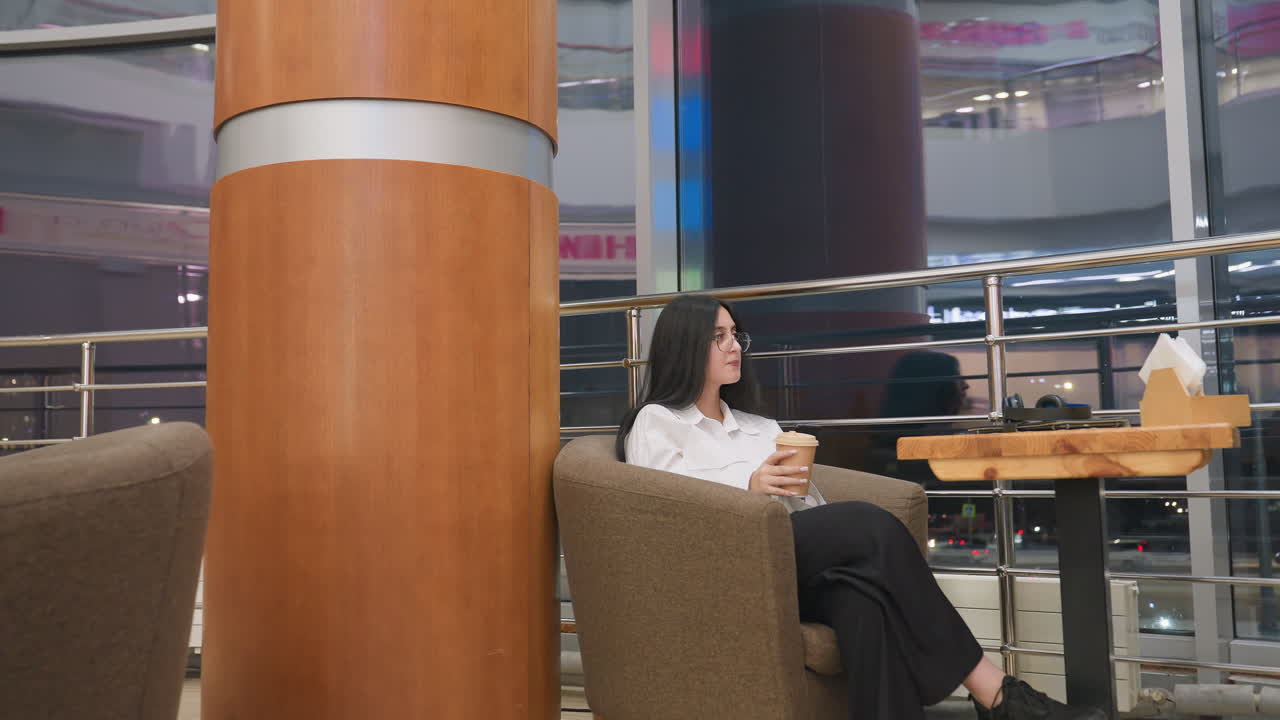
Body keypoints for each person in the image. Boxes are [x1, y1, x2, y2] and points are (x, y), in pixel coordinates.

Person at [616, 294, 1103, 720]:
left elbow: (806, 503)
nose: (734, 346)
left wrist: (795, 491)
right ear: (685, 346)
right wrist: (747, 486)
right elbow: (665, 515)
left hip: (790, 559)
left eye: (736, 334)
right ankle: (997, 694)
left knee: (862, 599)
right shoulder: (657, 422)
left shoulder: (760, 427)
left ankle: (995, 699)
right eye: (718, 337)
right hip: (726, 565)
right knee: (868, 523)